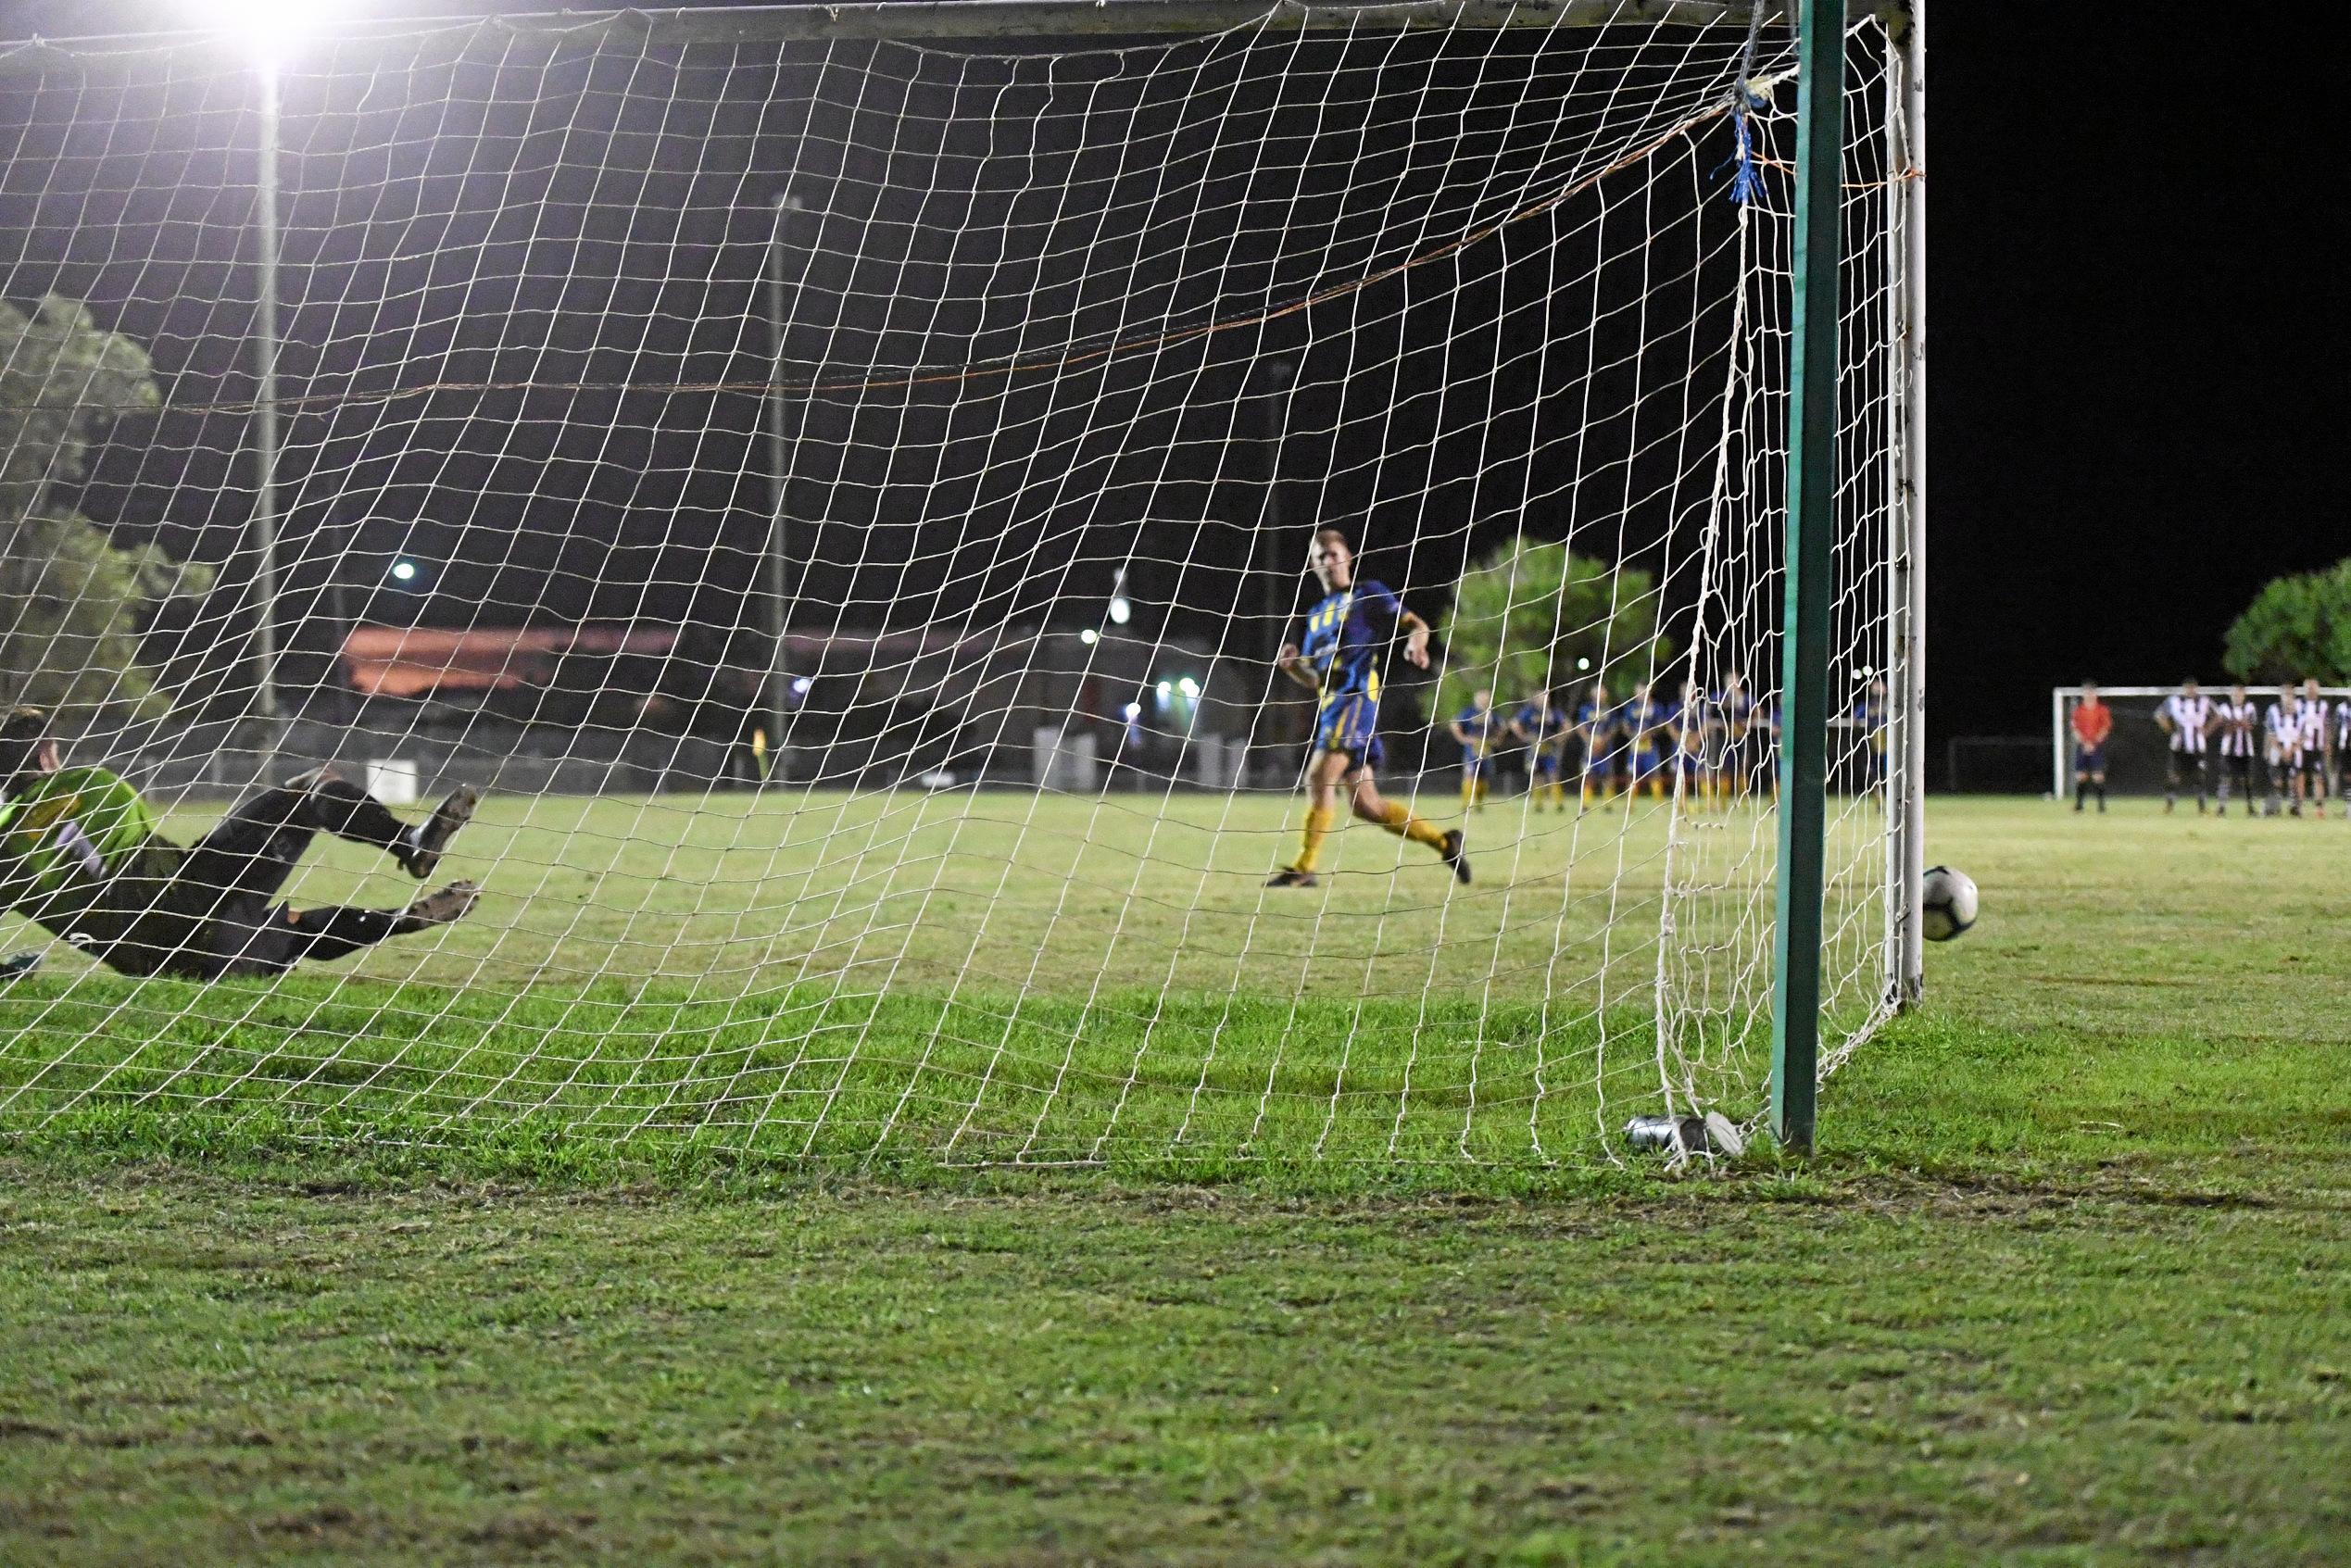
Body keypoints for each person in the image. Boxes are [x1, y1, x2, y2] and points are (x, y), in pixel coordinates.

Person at [0, 708, 479, 979]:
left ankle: (400, 920)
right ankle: (408, 845)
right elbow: (136, 826)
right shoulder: (94, 783)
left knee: (295, 931)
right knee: (310, 786)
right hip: (192, 890)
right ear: (46, 754)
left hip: (165, 961)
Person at [1265, 530, 1467, 888]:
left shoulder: (1367, 593)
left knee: (1318, 775)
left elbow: (1415, 624)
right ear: (1313, 565)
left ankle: (1304, 867)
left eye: (1332, 554)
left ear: (1348, 557)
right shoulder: (1314, 616)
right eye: (1319, 557)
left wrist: (1415, 645)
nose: (1327, 561)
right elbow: (1316, 678)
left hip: (1357, 698)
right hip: (1331, 705)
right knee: (1366, 805)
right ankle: (1445, 842)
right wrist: (1294, 667)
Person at [2156, 678, 2214, 815]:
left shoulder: (2204, 701)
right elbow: (2159, 715)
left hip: (2197, 747)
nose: (2190, 690)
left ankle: (2202, 808)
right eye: (2188, 688)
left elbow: (2218, 716)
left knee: (2199, 777)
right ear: (2184, 688)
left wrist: (2207, 730)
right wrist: (2169, 729)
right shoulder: (2174, 700)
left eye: (2193, 687)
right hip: (2178, 746)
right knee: (2174, 776)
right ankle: (2169, 806)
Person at [1510, 688, 1571, 811]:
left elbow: (1567, 725)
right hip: (1534, 748)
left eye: (1546, 697)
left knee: (1553, 775)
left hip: (1549, 748)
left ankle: (1558, 804)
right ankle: (1538, 804)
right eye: (1542, 697)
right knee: (1537, 776)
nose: (1545, 699)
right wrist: (1524, 736)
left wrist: (1560, 737)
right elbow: (1514, 723)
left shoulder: (1554, 712)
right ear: (1535, 699)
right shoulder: (1529, 712)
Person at [1448, 689, 1499, 814]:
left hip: (1486, 749)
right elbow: (1454, 724)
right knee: (1470, 775)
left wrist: (1496, 739)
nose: (1484, 700)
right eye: (1482, 698)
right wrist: (1462, 738)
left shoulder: (1492, 715)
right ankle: (1465, 805)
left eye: (1486, 698)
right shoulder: (1469, 712)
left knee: (1483, 778)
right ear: (1476, 699)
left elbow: (1502, 726)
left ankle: (1479, 804)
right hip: (1472, 749)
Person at [1622, 681, 1674, 802]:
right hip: (1634, 746)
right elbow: (1625, 726)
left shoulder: (1657, 707)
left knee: (1654, 774)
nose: (1641, 693)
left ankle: (1658, 802)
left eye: (1643, 690)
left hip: (1651, 746)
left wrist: (1649, 733)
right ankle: (1629, 804)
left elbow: (1661, 725)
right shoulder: (1630, 707)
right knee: (1631, 775)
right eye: (1638, 690)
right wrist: (1635, 735)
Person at [2211, 684, 2258, 816]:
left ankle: (2250, 807)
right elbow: (2226, 728)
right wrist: (2239, 723)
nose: (2237, 697)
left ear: (2244, 695)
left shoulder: (2250, 707)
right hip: (2228, 751)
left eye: (2239, 694)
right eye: (2235, 694)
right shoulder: (2224, 708)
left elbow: (2250, 726)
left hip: (2246, 750)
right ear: (2231, 695)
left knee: (2247, 779)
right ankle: (2221, 807)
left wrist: (2235, 723)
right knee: (2225, 778)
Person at [2292, 677, 2332, 818]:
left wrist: (2327, 743)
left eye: (2313, 687)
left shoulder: (2323, 705)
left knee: (2318, 777)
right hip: (2301, 748)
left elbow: (2326, 725)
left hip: (2317, 747)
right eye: (2308, 687)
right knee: (2300, 777)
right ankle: (2300, 806)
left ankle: (2319, 807)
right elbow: (2293, 724)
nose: (2311, 690)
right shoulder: (2297, 704)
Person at [2070, 681, 2113, 813]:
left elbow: (2105, 728)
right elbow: (2074, 729)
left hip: (2096, 747)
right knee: (2081, 776)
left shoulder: (2102, 710)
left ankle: (2101, 806)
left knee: (2098, 776)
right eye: (2086, 692)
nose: (2089, 695)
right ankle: (2079, 805)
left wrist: (2093, 743)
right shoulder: (2078, 711)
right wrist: (2084, 743)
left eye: (2091, 692)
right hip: (2082, 747)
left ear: (2095, 694)